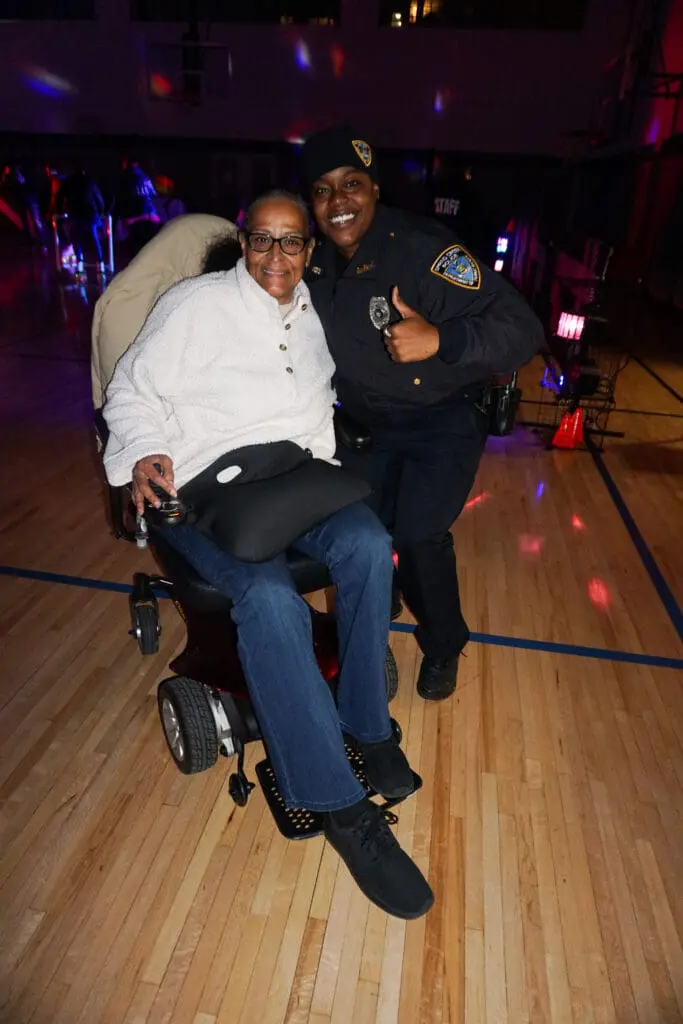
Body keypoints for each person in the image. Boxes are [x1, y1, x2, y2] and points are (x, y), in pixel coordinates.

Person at [102, 190, 434, 921]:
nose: (275, 258)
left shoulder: (314, 308)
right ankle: (342, 811)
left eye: (291, 244)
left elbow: (329, 397)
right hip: (195, 487)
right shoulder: (195, 306)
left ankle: (368, 730)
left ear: (309, 252)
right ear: (243, 243)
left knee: (369, 545)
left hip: (288, 482)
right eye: (262, 241)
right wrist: (144, 452)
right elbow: (130, 388)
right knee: (267, 598)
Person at [302, 126, 544, 701]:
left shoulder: (422, 250)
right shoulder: (313, 262)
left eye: (352, 185)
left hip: (442, 417)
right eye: (323, 190)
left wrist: (441, 339)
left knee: (417, 535)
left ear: (375, 190)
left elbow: (523, 329)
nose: (339, 202)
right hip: (365, 422)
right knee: (361, 530)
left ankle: (442, 642)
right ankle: (380, 596)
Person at [57, 167, 105, 267]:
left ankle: (79, 264)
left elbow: (59, 197)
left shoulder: (69, 183)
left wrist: (61, 210)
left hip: (76, 215)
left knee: (77, 240)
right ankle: (101, 264)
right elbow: (99, 199)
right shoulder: (90, 182)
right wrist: (102, 210)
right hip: (90, 213)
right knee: (94, 237)